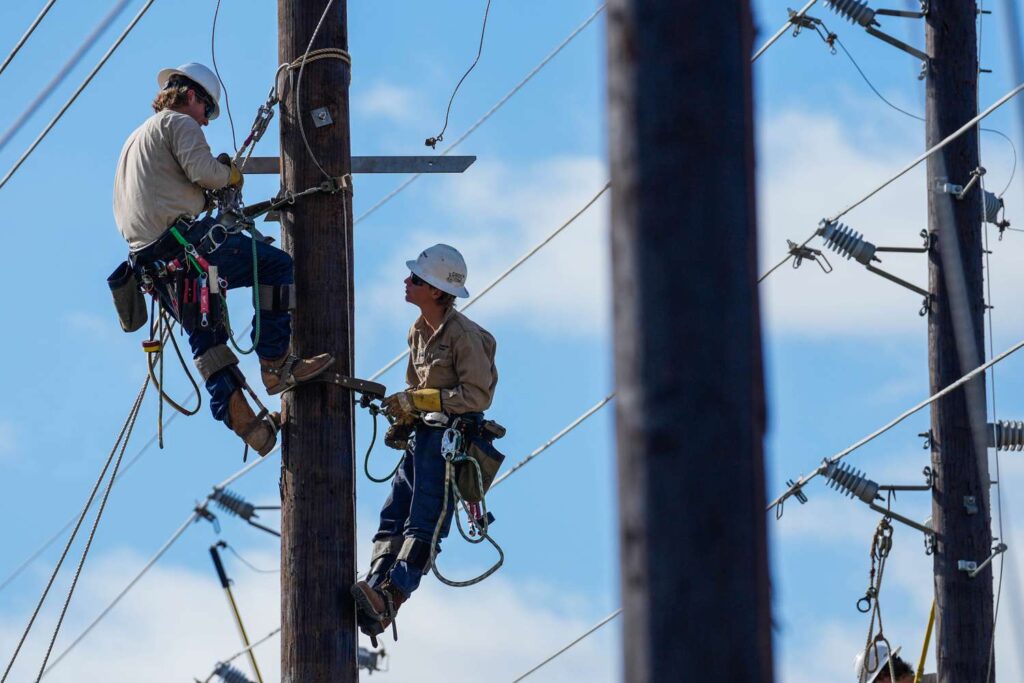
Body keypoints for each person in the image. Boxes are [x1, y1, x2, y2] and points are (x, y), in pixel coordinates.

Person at [112, 62, 333, 454]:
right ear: (193, 96)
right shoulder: (179, 124)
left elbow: (171, 190)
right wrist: (228, 175)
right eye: (207, 111)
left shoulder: (133, 140)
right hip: (184, 249)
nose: (207, 122)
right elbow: (205, 173)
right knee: (275, 265)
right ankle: (275, 363)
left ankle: (248, 424)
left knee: (208, 338)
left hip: (154, 266)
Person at [352, 244, 498, 639]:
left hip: (450, 438)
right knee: (392, 515)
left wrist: (420, 401)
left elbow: (477, 396)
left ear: (436, 290)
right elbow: (414, 385)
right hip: (424, 436)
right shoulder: (417, 332)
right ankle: (375, 585)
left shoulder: (467, 337)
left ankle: (393, 595)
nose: (407, 281)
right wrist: (405, 411)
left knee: (424, 521)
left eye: (416, 278)